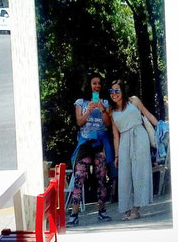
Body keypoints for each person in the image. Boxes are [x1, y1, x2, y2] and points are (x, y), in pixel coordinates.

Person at [67, 73, 114, 226]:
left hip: (99, 144)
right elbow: (79, 122)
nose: (97, 86)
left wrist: (102, 109)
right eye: (94, 83)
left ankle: (102, 211)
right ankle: (74, 214)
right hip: (85, 144)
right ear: (89, 85)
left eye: (99, 83)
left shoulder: (105, 102)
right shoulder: (80, 102)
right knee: (79, 176)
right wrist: (88, 110)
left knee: (101, 177)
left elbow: (107, 124)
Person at [110, 79, 158, 221]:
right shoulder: (112, 111)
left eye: (117, 90)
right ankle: (126, 209)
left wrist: (162, 127)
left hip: (139, 136)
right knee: (124, 175)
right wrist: (117, 156)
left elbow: (148, 115)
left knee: (139, 172)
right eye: (112, 91)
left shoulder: (134, 101)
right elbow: (115, 136)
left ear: (123, 91)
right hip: (124, 139)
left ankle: (136, 210)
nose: (114, 94)